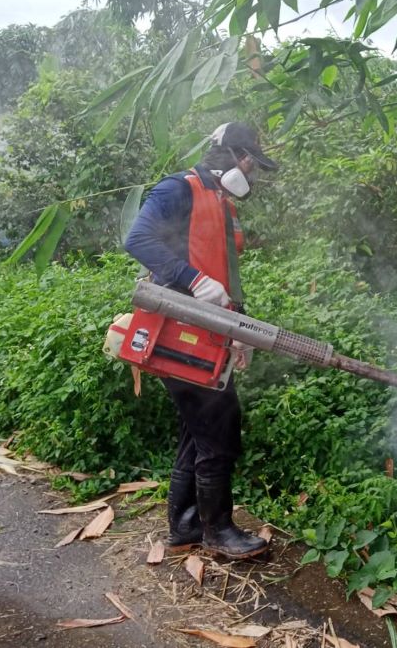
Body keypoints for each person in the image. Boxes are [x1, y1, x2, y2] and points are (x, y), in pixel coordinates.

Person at [124, 121, 278, 560]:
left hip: (211, 334)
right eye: (254, 165)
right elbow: (138, 239)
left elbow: (225, 275)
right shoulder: (179, 189)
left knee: (198, 430)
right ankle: (218, 531)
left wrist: (239, 332)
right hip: (179, 332)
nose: (254, 175)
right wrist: (193, 280)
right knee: (218, 426)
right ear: (239, 158)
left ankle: (186, 526)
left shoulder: (221, 203)